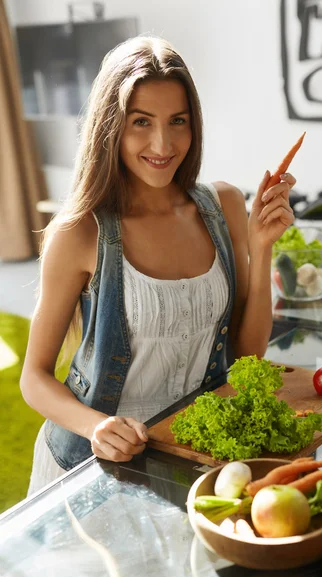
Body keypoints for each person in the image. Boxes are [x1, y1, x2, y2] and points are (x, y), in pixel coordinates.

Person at [20, 36, 296, 495]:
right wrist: (96, 427)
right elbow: (34, 377)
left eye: (178, 121)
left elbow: (247, 354)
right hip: (93, 466)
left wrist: (261, 246)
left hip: (189, 454)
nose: (163, 143)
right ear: (111, 126)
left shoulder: (224, 204)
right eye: (140, 122)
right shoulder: (81, 231)